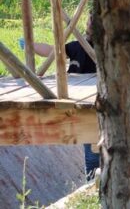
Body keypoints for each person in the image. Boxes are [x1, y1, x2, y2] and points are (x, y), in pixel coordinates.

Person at [21, 18, 99, 181]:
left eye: (93, 23)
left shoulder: (107, 50)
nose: (90, 26)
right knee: (91, 154)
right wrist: (31, 45)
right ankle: (93, 184)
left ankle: (95, 184)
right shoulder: (77, 46)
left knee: (94, 153)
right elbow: (53, 51)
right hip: (77, 100)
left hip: (96, 102)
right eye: (89, 23)